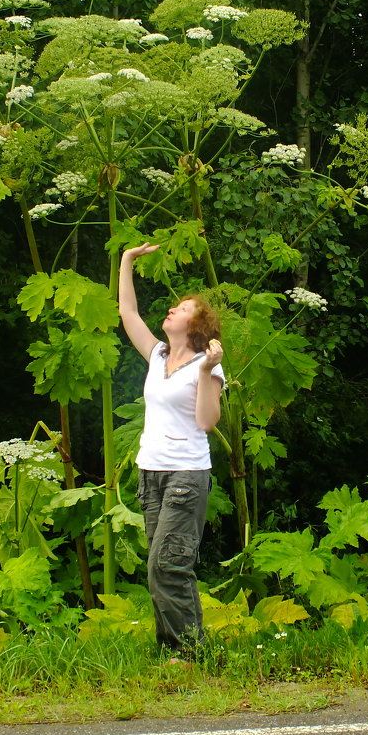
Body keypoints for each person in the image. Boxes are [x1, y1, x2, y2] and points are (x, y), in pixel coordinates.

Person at [118, 242, 224, 656]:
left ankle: (188, 654)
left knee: (167, 566)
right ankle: (176, 650)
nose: (172, 310)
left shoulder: (207, 366)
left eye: (182, 309)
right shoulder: (158, 354)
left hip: (186, 477)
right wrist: (127, 260)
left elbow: (206, 423)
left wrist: (207, 371)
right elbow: (128, 313)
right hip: (152, 476)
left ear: (196, 324)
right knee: (164, 568)